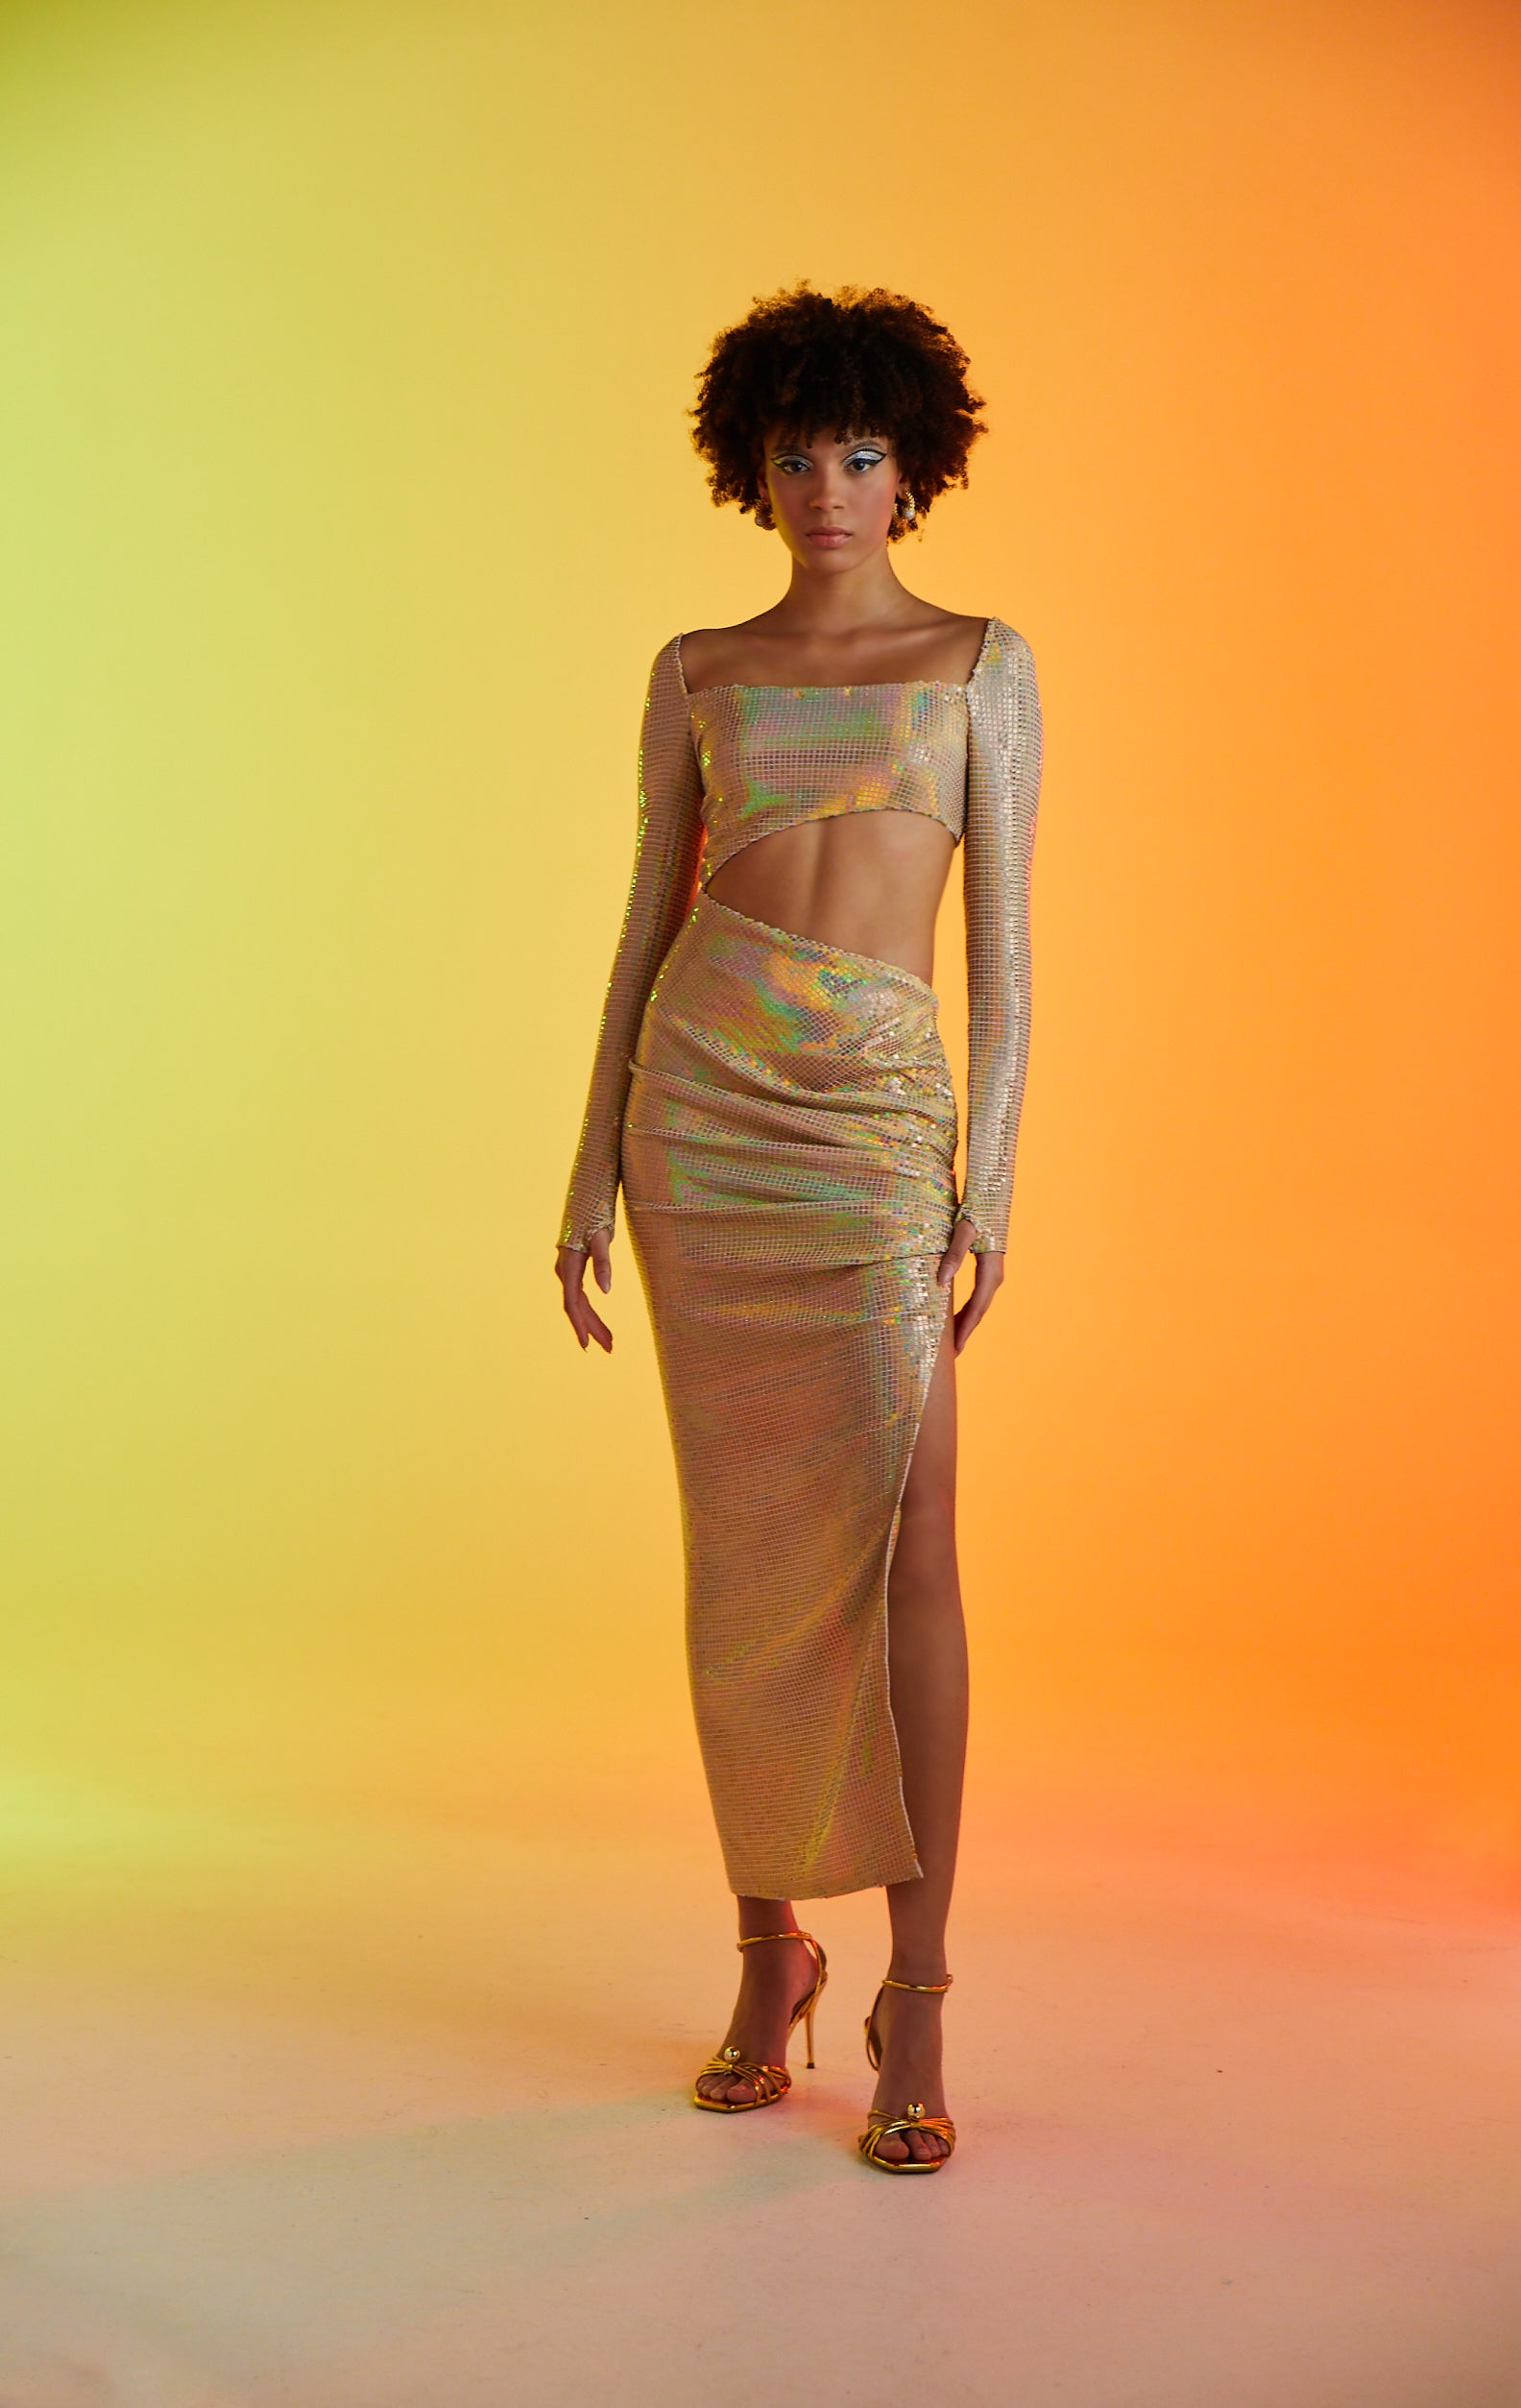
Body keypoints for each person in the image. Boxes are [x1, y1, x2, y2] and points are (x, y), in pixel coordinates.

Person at [555, 283, 1041, 2173]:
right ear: (748, 472)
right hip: (701, 1119)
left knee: (913, 1541)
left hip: (873, 1128)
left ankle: (918, 1988)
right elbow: (641, 921)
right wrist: (585, 1166)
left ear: (912, 471)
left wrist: (987, 1180)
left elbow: (1004, 951)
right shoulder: (700, 668)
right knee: (743, 1552)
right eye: (795, 455)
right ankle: (770, 1958)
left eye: (859, 454)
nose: (828, 487)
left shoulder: (979, 663)